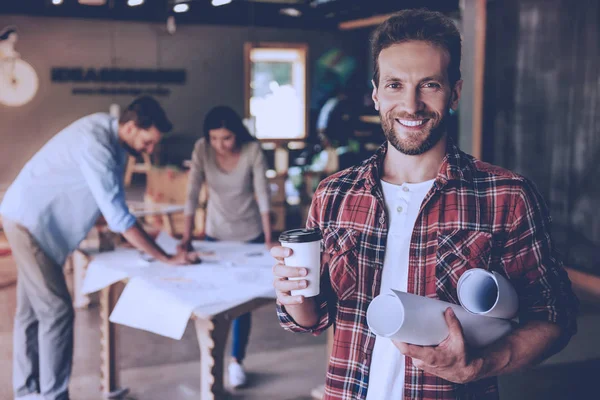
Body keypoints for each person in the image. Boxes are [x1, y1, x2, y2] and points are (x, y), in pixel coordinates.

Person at [270, 9, 578, 400]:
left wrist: (482, 364)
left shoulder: (507, 197)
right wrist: (293, 295)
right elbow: (313, 320)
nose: (411, 105)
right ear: (376, 93)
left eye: (429, 84)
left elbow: (554, 318)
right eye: (395, 85)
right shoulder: (334, 194)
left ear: (455, 91)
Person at [0, 96, 197, 400]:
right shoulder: (97, 143)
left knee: (31, 312)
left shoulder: (111, 140)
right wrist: (166, 257)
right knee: (56, 311)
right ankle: (53, 395)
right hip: (30, 225)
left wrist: (124, 234)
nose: (149, 150)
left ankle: (27, 392)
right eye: (147, 142)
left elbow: (105, 203)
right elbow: (119, 216)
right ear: (131, 127)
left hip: (32, 222)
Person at [179, 105, 272, 388]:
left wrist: (269, 239)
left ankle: (236, 362)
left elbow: (263, 195)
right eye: (214, 138)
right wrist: (186, 237)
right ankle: (212, 364)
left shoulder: (252, 151)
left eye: (227, 138)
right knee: (216, 301)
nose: (220, 145)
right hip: (215, 235)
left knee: (242, 305)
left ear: (238, 134)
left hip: (250, 235)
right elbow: (192, 192)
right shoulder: (202, 150)